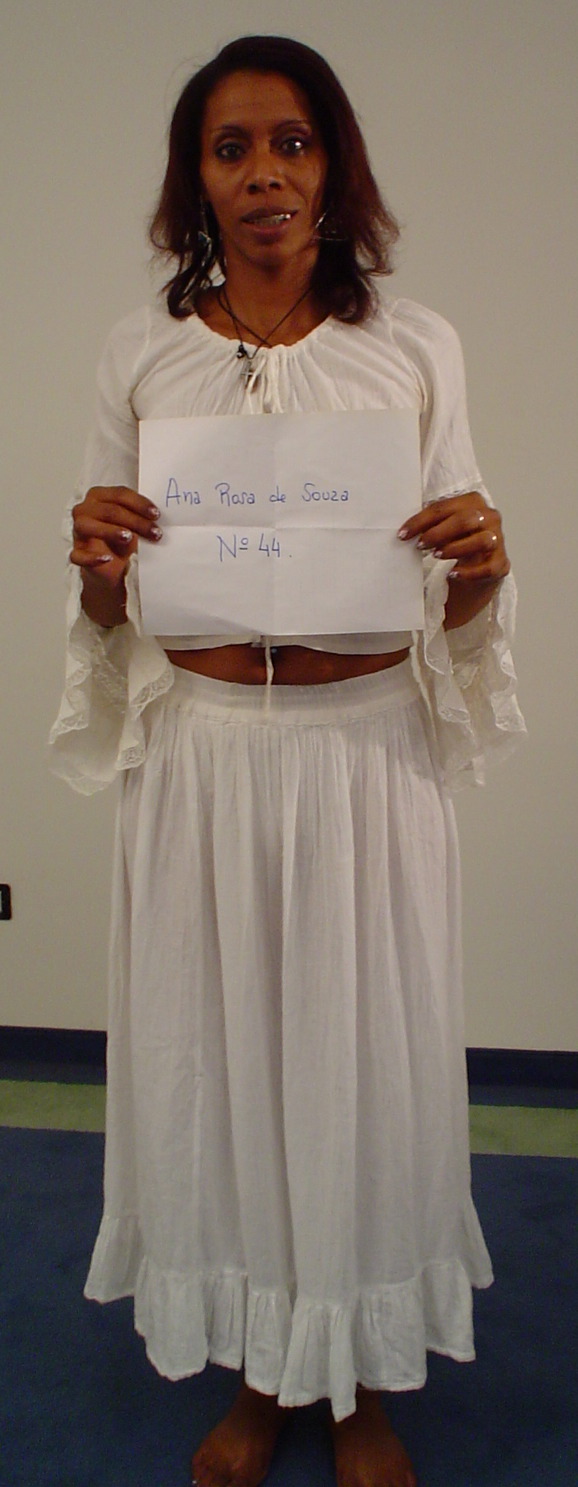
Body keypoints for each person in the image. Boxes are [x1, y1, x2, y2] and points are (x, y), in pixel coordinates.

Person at [50, 34, 525, 1487]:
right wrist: (98, 570)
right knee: (221, 1065)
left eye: (293, 142)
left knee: (360, 1070)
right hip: (204, 763)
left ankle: (359, 1380)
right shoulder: (143, 353)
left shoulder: (413, 347)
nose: (265, 173)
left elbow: (455, 600)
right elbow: (109, 611)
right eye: (232, 147)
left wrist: (484, 569)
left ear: (334, 168)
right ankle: (262, 1372)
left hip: (364, 756)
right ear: (194, 180)